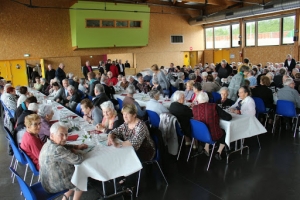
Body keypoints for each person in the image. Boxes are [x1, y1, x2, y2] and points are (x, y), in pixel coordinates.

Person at [39, 122, 87, 200]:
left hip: (46, 180)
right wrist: (79, 152)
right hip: (53, 185)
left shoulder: (48, 143)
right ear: (52, 135)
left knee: (75, 173)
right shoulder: (57, 150)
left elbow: (64, 146)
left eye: (66, 134)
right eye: (61, 135)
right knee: (81, 176)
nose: (65, 138)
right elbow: (78, 159)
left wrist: (77, 146)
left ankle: (65, 197)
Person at [192, 92, 232, 160]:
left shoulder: (194, 108)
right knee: (224, 132)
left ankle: (206, 148)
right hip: (213, 134)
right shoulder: (213, 106)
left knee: (207, 127)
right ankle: (219, 152)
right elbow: (228, 117)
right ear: (207, 99)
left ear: (198, 100)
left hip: (199, 134)